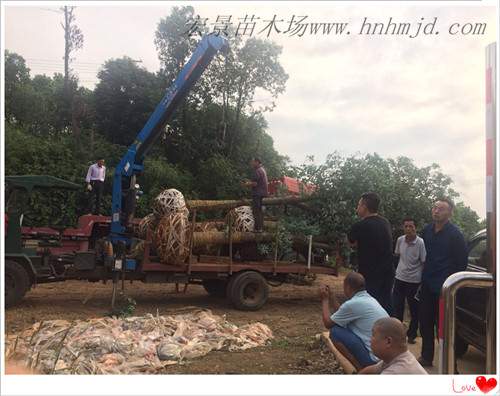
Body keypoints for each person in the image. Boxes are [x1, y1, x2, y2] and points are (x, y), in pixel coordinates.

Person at [418, 197, 467, 367]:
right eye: (435, 207)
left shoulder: (456, 235)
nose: (436, 211)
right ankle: (426, 356)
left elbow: (462, 264)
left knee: (445, 329)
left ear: (450, 212)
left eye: (441, 208)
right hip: (426, 285)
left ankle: (450, 366)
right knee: (425, 323)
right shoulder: (426, 231)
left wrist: (452, 287)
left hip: (445, 290)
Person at [319, 272, 389, 371]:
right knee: (342, 326)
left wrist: (324, 300)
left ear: (347, 287)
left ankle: (361, 369)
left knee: (335, 332)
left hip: (373, 360)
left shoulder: (353, 304)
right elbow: (341, 314)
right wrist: (332, 297)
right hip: (385, 358)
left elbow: (328, 323)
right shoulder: (369, 299)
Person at [348, 192, 394, 314]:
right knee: (384, 305)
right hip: (388, 273)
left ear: (364, 207)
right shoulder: (386, 223)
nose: (357, 208)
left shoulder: (360, 226)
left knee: (369, 307)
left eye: (358, 205)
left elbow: (351, 243)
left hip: (369, 274)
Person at [392, 218, 426, 344]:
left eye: (411, 226)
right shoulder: (400, 240)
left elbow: (423, 262)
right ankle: (397, 335)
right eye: (406, 226)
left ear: (415, 228)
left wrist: (421, 280)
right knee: (397, 307)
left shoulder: (420, 243)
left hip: (414, 281)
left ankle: (411, 335)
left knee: (414, 309)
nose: (408, 229)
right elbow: (397, 256)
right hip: (400, 278)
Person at [359, 317, 427, 374]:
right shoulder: (397, 358)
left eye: (373, 335)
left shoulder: (395, 371)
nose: (370, 340)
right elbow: (371, 370)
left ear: (388, 341)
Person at [241, 158, 268, 232]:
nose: (252, 164)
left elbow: (255, 184)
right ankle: (260, 228)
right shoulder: (262, 170)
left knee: (256, 211)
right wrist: (249, 182)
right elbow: (257, 182)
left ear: (257, 162)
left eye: (253, 162)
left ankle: (257, 229)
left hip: (257, 194)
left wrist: (246, 184)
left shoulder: (257, 171)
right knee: (260, 211)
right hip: (262, 193)